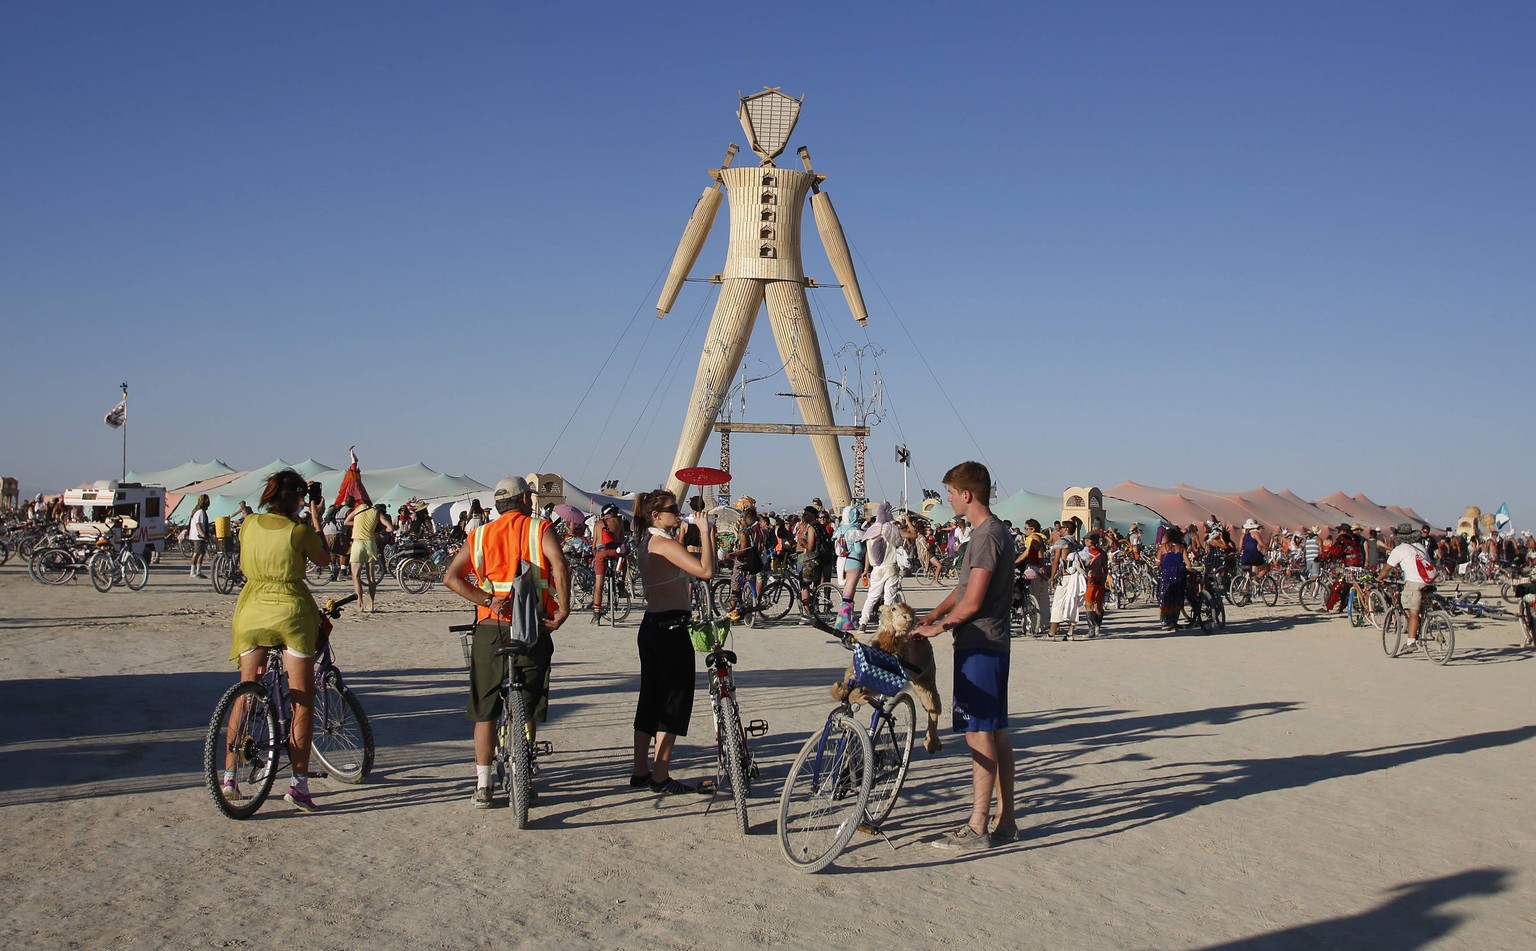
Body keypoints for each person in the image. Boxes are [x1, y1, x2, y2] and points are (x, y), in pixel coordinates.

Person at [442, 476, 570, 809]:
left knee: (485, 710)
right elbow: (559, 564)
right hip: (532, 624)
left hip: (490, 627)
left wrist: (486, 599)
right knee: (526, 703)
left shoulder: (480, 534)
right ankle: (524, 772)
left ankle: (484, 784)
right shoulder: (537, 528)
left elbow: (451, 577)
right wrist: (565, 608)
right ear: (525, 499)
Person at [913, 461, 1016, 850]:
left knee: (979, 733)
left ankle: (978, 827)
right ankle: (1006, 821)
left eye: (951, 494)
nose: (949, 500)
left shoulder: (987, 536)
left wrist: (939, 628)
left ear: (967, 495)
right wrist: (934, 614)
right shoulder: (986, 533)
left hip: (981, 644)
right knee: (997, 732)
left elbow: (971, 602)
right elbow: (960, 592)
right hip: (989, 643)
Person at [220, 470, 331, 811]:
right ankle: (298, 785)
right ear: (299, 497)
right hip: (291, 612)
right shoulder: (298, 532)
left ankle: (229, 776)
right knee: (302, 700)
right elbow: (325, 559)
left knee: (245, 691)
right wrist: (315, 516)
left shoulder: (249, 523)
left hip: (252, 609)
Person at [630, 488, 715, 794]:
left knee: (650, 697)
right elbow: (706, 570)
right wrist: (704, 533)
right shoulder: (662, 543)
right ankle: (660, 775)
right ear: (656, 515)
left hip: (651, 624)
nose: (678, 513)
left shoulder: (646, 541)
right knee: (673, 700)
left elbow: (679, 564)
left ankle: (641, 770)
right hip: (671, 626)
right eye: (673, 509)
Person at [1380, 522, 1436, 655]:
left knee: (1413, 612)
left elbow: (1387, 568)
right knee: (1421, 608)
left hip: (1414, 583)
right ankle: (1422, 627)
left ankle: (1411, 642)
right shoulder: (1420, 546)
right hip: (1428, 582)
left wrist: (1379, 579)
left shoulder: (1399, 550)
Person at [858, 502, 904, 630]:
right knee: (889, 597)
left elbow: (868, 552)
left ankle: (863, 622)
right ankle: (884, 624)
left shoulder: (871, 531)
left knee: (872, 597)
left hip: (876, 569)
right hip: (890, 567)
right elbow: (902, 542)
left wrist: (866, 568)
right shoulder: (892, 529)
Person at [344, 497, 393, 613]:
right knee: (371, 577)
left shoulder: (358, 509)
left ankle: (359, 603)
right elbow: (390, 528)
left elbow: (346, 522)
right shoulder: (377, 512)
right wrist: (378, 530)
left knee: (356, 576)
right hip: (371, 544)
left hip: (358, 543)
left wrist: (357, 524)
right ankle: (371, 604)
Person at [591, 502, 628, 619]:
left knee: (599, 584)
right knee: (624, 559)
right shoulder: (619, 521)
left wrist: (597, 556)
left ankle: (597, 613)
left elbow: (593, 545)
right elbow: (621, 540)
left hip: (600, 553)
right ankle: (621, 583)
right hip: (614, 552)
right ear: (611, 513)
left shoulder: (597, 524)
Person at [1014, 518, 1049, 638]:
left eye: (1026, 528)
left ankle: (1035, 625)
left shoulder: (1034, 538)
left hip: (1034, 567)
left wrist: (1014, 564)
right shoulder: (1036, 538)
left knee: (1031, 594)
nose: (1025, 531)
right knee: (1038, 596)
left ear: (1032, 529)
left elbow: (1031, 553)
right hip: (1036, 567)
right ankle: (1038, 624)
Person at [1156, 526, 1188, 631]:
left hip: (1167, 574)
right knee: (1177, 597)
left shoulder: (1163, 547)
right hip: (1179, 574)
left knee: (1165, 597)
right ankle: (1174, 620)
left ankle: (1165, 620)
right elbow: (1188, 562)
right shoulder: (1182, 548)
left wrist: (1158, 564)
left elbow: (1157, 562)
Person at [188, 494, 212, 578]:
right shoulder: (200, 511)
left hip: (199, 536)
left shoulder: (201, 511)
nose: (208, 501)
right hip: (198, 536)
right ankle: (192, 571)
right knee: (197, 553)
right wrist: (203, 534)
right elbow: (198, 524)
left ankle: (198, 571)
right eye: (206, 500)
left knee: (202, 553)